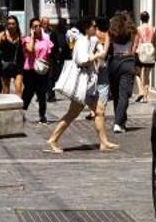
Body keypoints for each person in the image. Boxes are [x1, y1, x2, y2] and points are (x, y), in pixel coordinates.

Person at [48, 19, 120, 154]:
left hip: (88, 84)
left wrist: (101, 48)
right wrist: (96, 55)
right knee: (73, 114)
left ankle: (104, 142)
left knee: (98, 111)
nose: (96, 28)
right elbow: (82, 60)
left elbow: (102, 53)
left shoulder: (89, 40)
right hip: (83, 84)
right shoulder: (82, 41)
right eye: (94, 26)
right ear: (87, 28)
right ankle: (53, 139)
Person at [105, 10, 137, 132]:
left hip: (114, 63)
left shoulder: (111, 33)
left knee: (116, 94)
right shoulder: (132, 32)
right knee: (124, 95)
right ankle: (119, 122)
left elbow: (106, 49)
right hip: (127, 62)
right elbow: (134, 50)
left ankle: (119, 121)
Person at [21, 18, 54, 124]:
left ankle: (42, 115)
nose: (38, 28)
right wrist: (32, 36)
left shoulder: (46, 40)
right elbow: (30, 49)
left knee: (42, 93)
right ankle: (22, 112)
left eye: (39, 26)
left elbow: (48, 56)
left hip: (42, 70)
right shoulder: (27, 39)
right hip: (30, 70)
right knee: (28, 92)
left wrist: (49, 68)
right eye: (35, 26)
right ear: (31, 28)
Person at [0, 15, 25, 96]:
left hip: (18, 65)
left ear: (16, 24)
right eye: (9, 24)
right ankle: (8, 108)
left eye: (13, 24)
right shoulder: (2, 35)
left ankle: (18, 108)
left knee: (18, 89)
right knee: (6, 91)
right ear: (7, 25)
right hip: (6, 65)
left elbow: (25, 50)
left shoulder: (21, 36)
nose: (11, 26)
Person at [132, 12, 156, 102]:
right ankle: (146, 96)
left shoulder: (138, 29)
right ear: (148, 18)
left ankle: (141, 91)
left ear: (140, 19)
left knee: (137, 73)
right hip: (150, 52)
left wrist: (132, 52)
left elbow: (135, 42)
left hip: (140, 52)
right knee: (147, 75)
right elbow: (155, 43)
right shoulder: (153, 29)